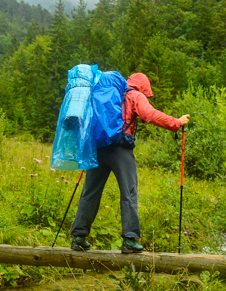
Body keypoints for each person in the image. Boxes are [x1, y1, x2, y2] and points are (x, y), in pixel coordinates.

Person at [70, 72, 190, 254]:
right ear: (143, 87)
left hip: (99, 147)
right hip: (120, 149)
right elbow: (149, 115)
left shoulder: (108, 93)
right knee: (129, 193)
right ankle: (130, 239)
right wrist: (176, 123)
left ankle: (78, 237)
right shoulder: (135, 95)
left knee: (89, 193)